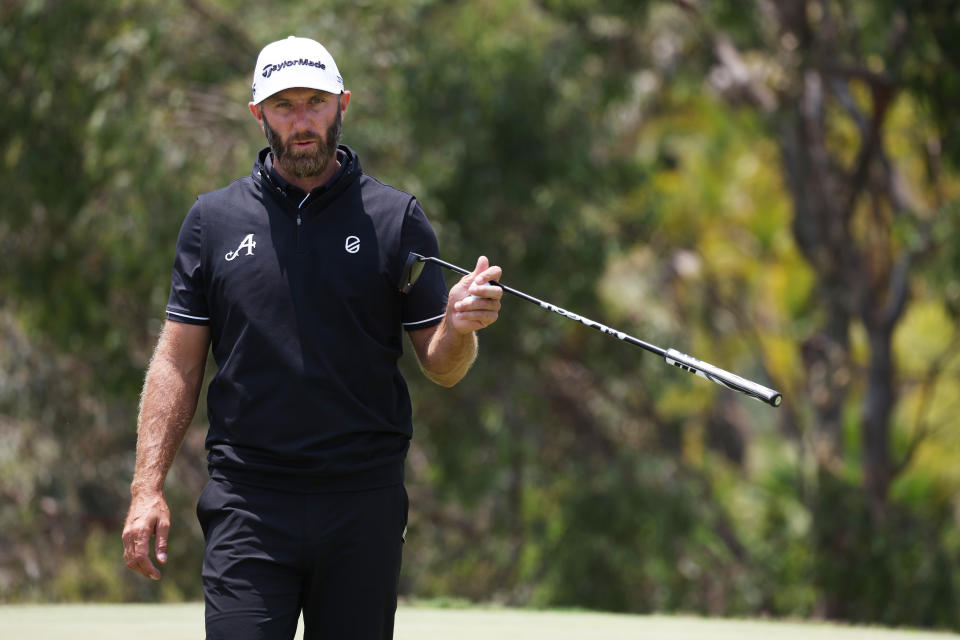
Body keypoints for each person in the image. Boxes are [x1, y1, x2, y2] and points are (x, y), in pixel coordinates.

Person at [121, 35, 503, 639]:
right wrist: (147, 490)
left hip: (362, 501)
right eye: (285, 106)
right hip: (248, 501)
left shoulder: (394, 218)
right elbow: (178, 362)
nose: (303, 122)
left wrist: (458, 327)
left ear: (342, 104)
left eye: (316, 103)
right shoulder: (211, 221)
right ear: (258, 114)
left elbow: (442, 364)